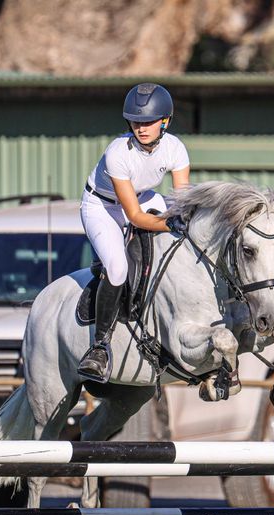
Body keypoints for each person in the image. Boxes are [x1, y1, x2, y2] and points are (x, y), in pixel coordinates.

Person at [77, 83, 190, 383]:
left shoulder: (176, 149)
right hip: (102, 206)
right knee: (117, 268)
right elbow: (136, 217)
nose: (141, 128)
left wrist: (181, 220)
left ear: (164, 121)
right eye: (136, 122)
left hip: (142, 195)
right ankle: (99, 347)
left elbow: (182, 200)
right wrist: (169, 223)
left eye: (148, 122)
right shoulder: (118, 152)